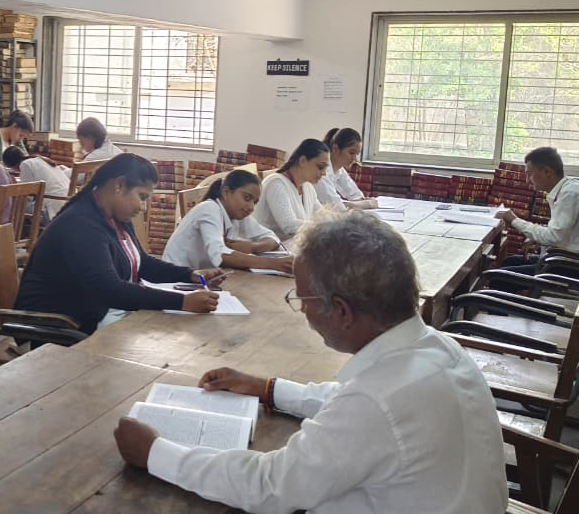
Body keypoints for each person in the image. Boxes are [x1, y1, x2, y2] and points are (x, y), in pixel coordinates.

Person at [114, 211, 508, 513]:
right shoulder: (434, 347)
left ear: (341, 311)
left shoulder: (378, 401)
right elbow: (348, 399)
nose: (301, 311)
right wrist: (268, 388)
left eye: (303, 300)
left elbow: (270, 486)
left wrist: (155, 453)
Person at [14, 154, 225, 334]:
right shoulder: (81, 225)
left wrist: (190, 275)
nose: (143, 207)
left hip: (96, 315)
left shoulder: (115, 217)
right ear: (119, 185)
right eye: (142, 197)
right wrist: (182, 302)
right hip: (57, 328)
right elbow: (110, 289)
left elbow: (143, 264)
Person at [494, 146, 579, 268]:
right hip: (571, 257)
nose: (528, 180)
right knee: (510, 262)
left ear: (547, 172)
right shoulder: (566, 189)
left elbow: (553, 237)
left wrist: (513, 220)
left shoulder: (570, 193)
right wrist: (537, 238)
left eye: (529, 174)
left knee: (498, 277)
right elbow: (558, 231)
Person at [163, 169, 293, 273]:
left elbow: (272, 238)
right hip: (176, 279)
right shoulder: (209, 209)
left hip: (203, 277)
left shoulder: (238, 215)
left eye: (255, 202)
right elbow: (220, 256)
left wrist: (252, 247)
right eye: (247, 198)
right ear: (226, 192)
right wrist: (274, 264)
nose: (251, 207)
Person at [254, 139, 330, 240]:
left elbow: (322, 215)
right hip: (265, 249)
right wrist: (325, 228)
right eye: (320, 167)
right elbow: (289, 226)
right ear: (303, 161)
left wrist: (339, 223)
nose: (324, 173)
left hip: (288, 249)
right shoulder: (276, 183)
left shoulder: (308, 187)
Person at [314, 127, 377, 211]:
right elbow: (336, 207)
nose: (354, 159)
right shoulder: (321, 171)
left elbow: (357, 196)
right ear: (335, 149)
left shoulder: (340, 170)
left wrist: (362, 203)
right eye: (351, 153)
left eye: (357, 154)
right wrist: (368, 203)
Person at [0, 145, 70, 220]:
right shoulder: (40, 159)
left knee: (15, 205)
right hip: (67, 204)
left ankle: (15, 230)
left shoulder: (25, 164)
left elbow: (27, 196)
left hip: (52, 209)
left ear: (13, 165)